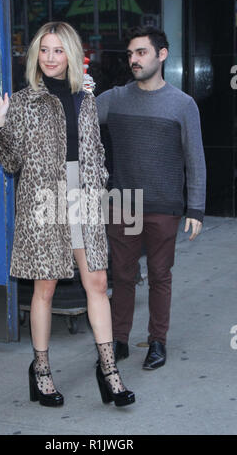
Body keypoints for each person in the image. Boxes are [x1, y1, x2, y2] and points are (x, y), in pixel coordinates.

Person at [0, 22, 135, 407]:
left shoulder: (86, 98)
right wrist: (0, 122)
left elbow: (95, 150)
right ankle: (42, 372)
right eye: (44, 50)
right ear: (36, 55)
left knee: (97, 282)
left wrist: (100, 188)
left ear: (70, 53)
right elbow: (12, 162)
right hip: (42, 200)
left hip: (83, 196)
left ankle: (110, 372)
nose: (50, 57)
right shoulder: (21, 101)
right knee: (45, 288)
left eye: (58, 50)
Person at [96, 26, 206, 370]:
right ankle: (120, 340)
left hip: (164, 205)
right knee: (123, 276)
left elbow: (195, 158)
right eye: (130, 54)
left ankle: (157, 341)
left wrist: (196, 207)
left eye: (141, 52)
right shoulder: (114, 98)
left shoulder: (182, 104)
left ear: (162, 54)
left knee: (160, 275)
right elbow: (77, 123)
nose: (133, 60)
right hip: (123, 203)